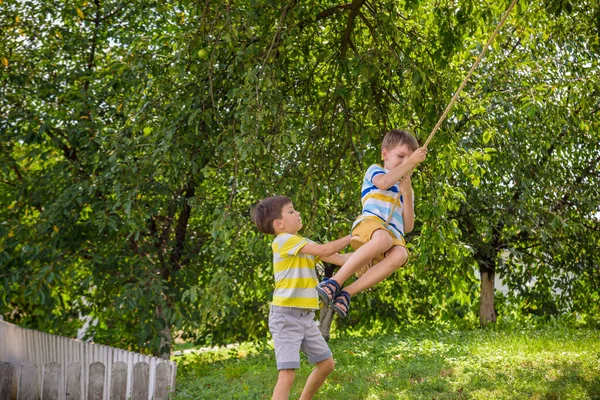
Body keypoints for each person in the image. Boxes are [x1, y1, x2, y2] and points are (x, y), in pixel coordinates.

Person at [316, 129, 427, 318]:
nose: (405, 161)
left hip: (391, 237)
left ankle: (346, 293)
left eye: (408, 158)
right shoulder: (376, 170)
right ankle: (334, 281)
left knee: (401, 253)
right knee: (383, 239)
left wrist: (407, 193)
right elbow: (383, 183)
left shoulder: (405, 189)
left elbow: (408, 227)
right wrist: (411, 161)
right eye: (400, 156)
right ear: (385, 153)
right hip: (370, 225)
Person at [251, 195, 351, 400]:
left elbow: (340, 259)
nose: (297, 213)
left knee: (326, 365)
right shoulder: (283, 241)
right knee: (287, 374)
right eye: (291, 211)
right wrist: (354, 234)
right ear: (278, 224)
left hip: (305, 317)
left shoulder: (302, 243)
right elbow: (325, 249)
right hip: (286, 316)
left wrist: (372, 250)